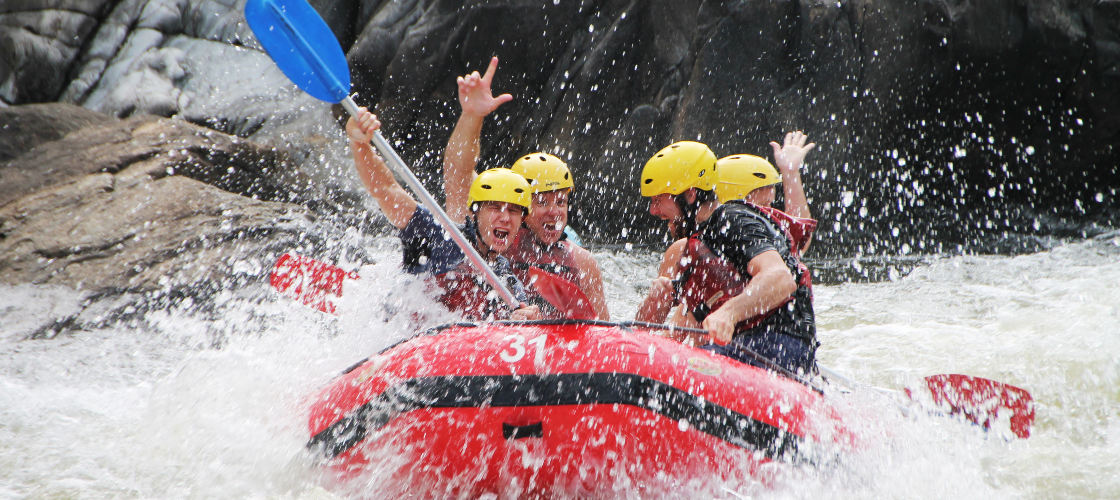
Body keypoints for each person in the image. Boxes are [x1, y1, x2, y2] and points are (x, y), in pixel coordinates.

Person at [442, 56, 609, 320]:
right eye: (542, 202)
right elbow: (458, 175)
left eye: (561, 202)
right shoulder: (496, 230)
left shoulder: (582, 263)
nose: (554, 212)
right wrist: (472, 116)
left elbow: (603, 332)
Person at [633, 140, 817, 374]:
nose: (653, 210)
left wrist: (729, 313)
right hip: (741, 349)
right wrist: (655, 302)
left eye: (658, 200)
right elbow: (678, 332)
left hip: (778, 344)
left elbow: (781, 278)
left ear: (690, 194)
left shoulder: (732, 219)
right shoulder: (698, 247)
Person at [346, 107, 541, 321]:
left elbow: (512, 327)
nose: (505, 217)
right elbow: (386, 190)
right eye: (495, 207)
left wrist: (524, 320)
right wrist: (360, 145)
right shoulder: (442, 235)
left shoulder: (506, 281)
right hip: (397, 331)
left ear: (522, 220)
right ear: (474, 212)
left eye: (513, 210)